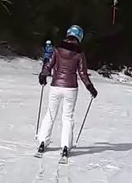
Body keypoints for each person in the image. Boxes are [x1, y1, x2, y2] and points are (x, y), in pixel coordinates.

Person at [36, 25, 97, 159]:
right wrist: (90, 87)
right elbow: (83, 73)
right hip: (71, 88)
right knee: (67, 117)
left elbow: (48, 64)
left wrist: (43, 75)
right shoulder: (79, 53)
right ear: (79, 37)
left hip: (56, 86)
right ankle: (65, 147)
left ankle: (42, 142)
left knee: (50, 114)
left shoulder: (57, 49)